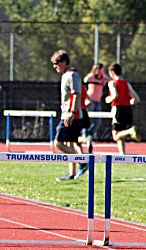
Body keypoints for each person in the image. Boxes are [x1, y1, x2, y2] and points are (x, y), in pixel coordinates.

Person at [50, 50, 87, 181]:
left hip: (72, 116)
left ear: (64, 62)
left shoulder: (72, 75)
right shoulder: (65, 75)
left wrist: (72, 113)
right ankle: (72, 173)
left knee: (58, 143)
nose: (54, 66)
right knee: (69, 143)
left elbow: (76, 94)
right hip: (66, 114)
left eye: (56, 63)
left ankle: (83, 162)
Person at [105, 63, 140, 155]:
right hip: (127, 109)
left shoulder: (112, 83)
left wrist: (108, 99)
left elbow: (115, 95)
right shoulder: (126, 83)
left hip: (118, 109)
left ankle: (130, 131)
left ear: (112, 72)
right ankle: (122, 154)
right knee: (121, 134)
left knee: (115, 136)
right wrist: (130, 102)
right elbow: (136, 98)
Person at [83, 63, 111, 141]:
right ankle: (85, 136)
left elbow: (110, 80)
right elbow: (85, 80)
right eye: (101, 69)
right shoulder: (91, 76)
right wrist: (95, 79)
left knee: (98, 121)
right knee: (87, 119)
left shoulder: (103, 77)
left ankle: (89, 135)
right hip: (90, 100)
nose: (103, 71)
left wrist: (103, 80)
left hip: (98, 101)